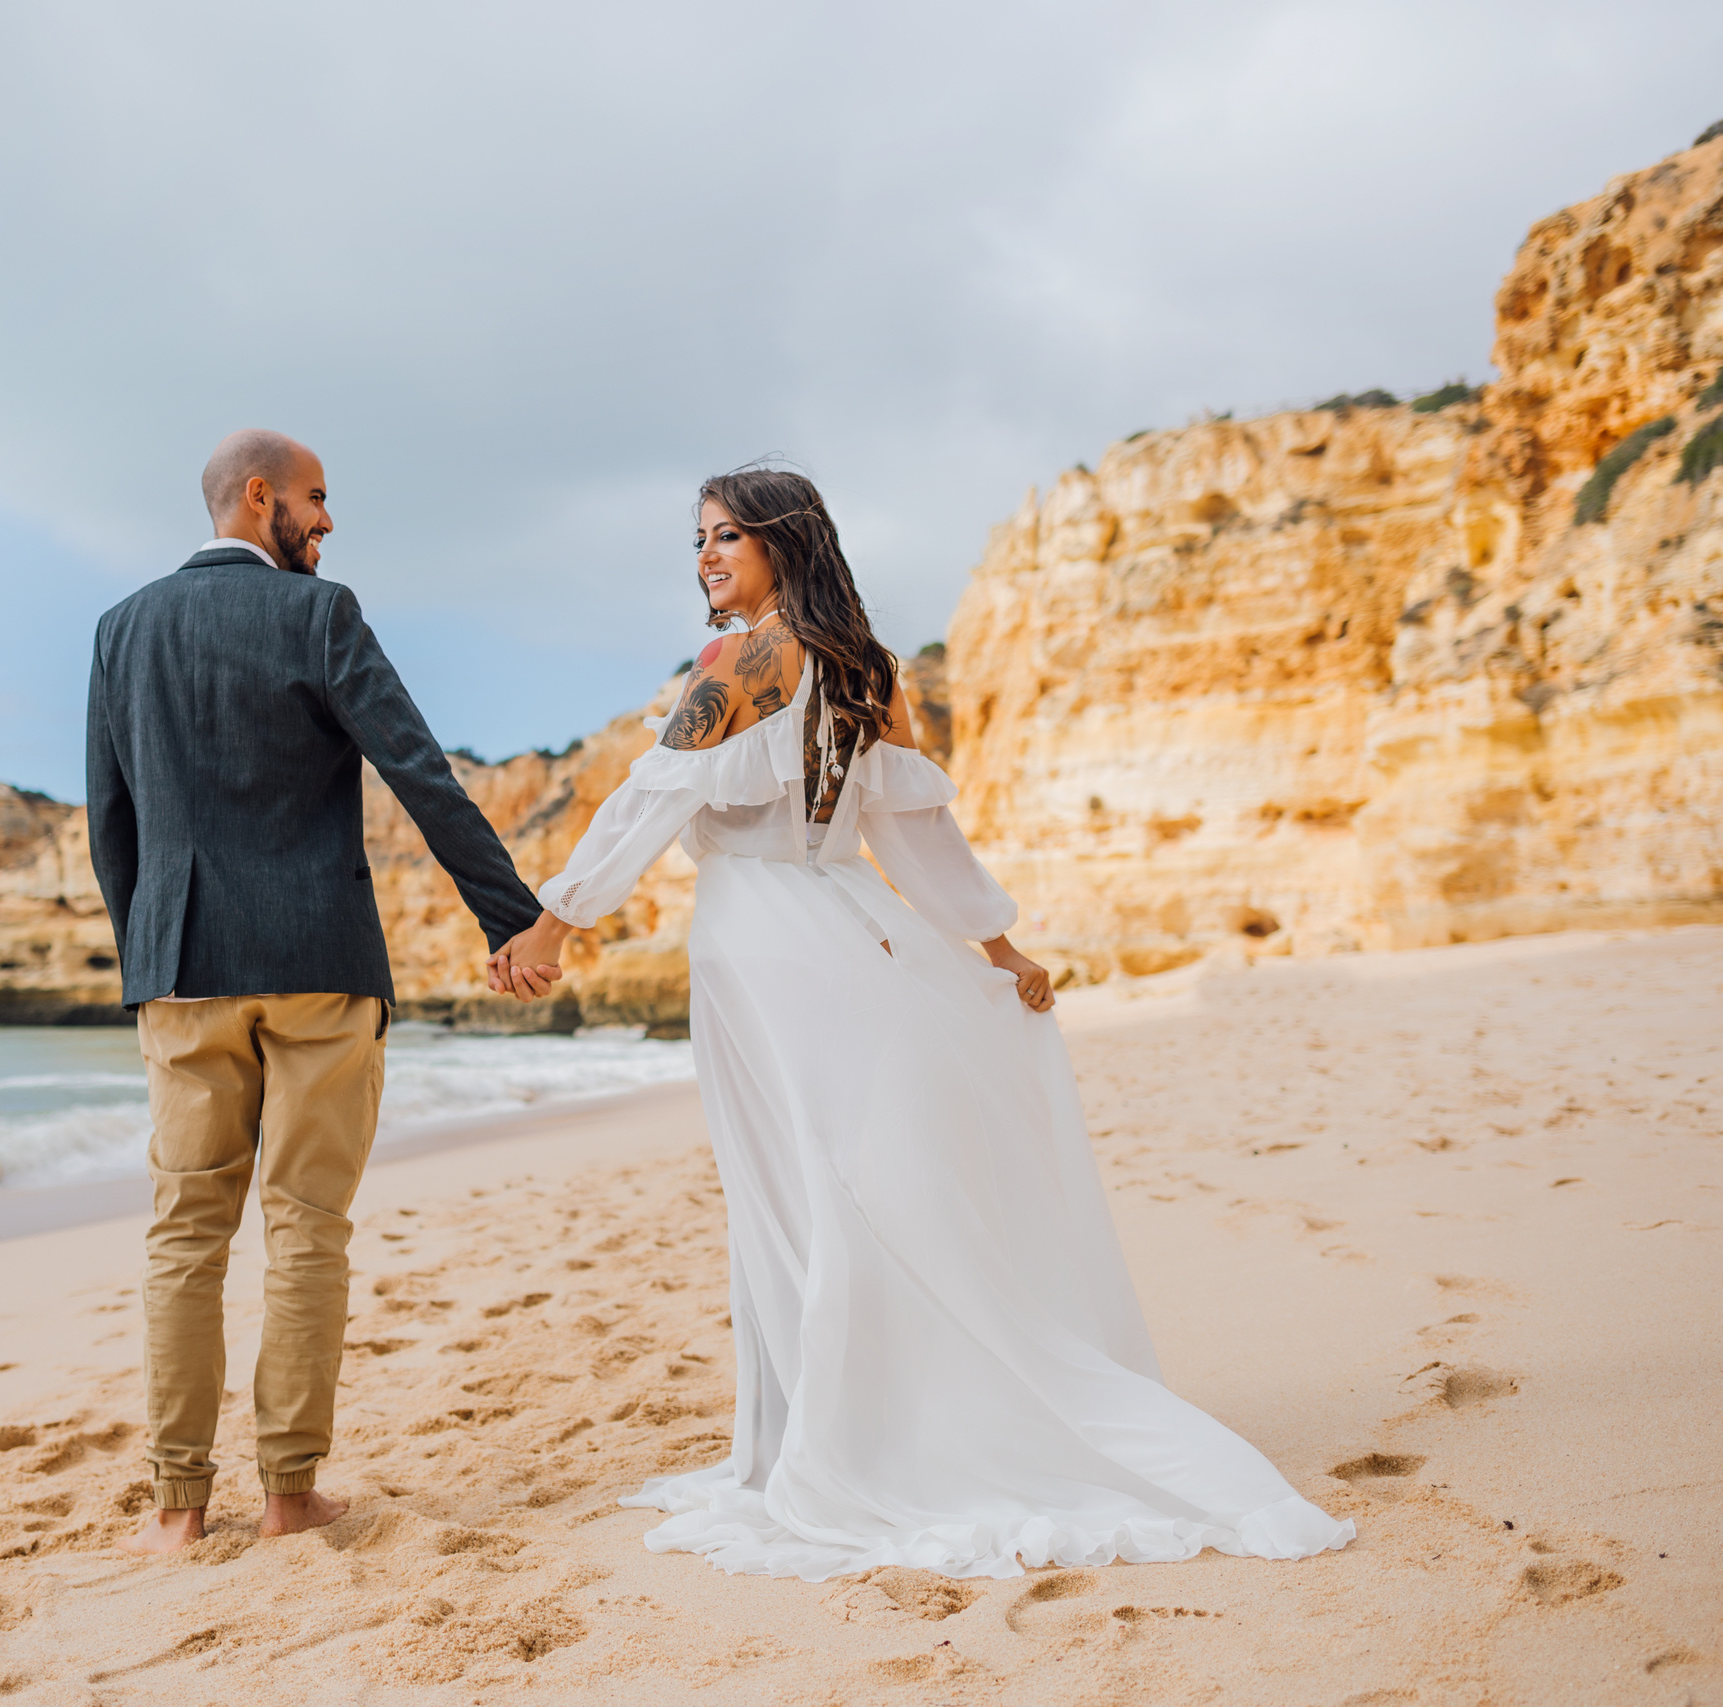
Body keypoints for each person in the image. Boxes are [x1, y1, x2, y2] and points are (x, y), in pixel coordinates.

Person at [484, 466, 1354, 1580]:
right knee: (850, 1183)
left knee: (801, 1193)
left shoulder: (744, 657)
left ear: (783, 543)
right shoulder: (863, 667)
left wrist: (556, 924)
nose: (705, 559)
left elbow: (654, 795)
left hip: (759, 942)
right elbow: (914, 840)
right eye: (697, 542)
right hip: (843, 929)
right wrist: (995, 945)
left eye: (725, 539)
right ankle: (860, 1426)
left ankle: (845, 1445)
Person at [86, 429, 562, 1555]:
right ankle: (290, 1496)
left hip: (182, 970)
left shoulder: (121, 630)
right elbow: (418, 770)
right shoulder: (319, 613)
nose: (327, 521)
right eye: (315, 498)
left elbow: (111, 821)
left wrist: (146, 955)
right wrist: (510, 917)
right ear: (259, 499)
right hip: (319, 969)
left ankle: (175, 1510)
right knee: (306, 1230)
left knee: (182, 1238)